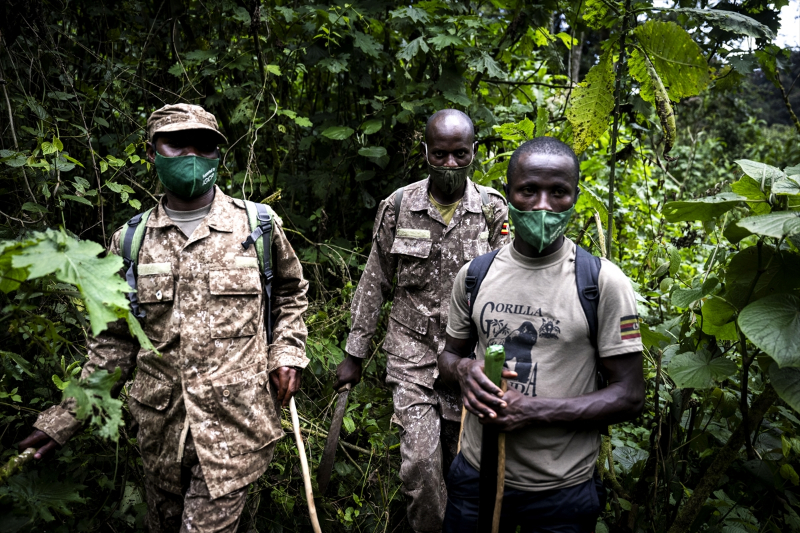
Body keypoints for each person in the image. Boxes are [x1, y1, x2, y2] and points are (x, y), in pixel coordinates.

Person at [19, 104, 309, 532]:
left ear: (219, 154)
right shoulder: (130, 241)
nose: (190, 156)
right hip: (161, 435)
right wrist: (64, 420)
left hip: (234, 431)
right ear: (152, 151)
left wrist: (286, 352)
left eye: (204, 145)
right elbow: (113, 342)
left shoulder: (257, 226)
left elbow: (289, 292)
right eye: (176, 144)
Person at [438, 137, 645, 532]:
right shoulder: (475, 275)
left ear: (575, 197)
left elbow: (630, 395)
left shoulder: (602, 282)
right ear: (510, 192)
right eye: (529, 190)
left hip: (561, 492)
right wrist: (464, 370)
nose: (543, 206)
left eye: (559, 192)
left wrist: (534, 411)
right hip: (475, 478)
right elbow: (448, 357)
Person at [334, 109, 509, 532]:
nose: (450, 165)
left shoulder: (492, 210)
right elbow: (374, 280)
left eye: (460, 155)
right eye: (441, 155)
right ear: (426, 152)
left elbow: (511, 287)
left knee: (462, 466)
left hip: (467, 359)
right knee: (421, 465)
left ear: (474, 153)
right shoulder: (398, 206)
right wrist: (354, 353)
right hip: (411, 353)